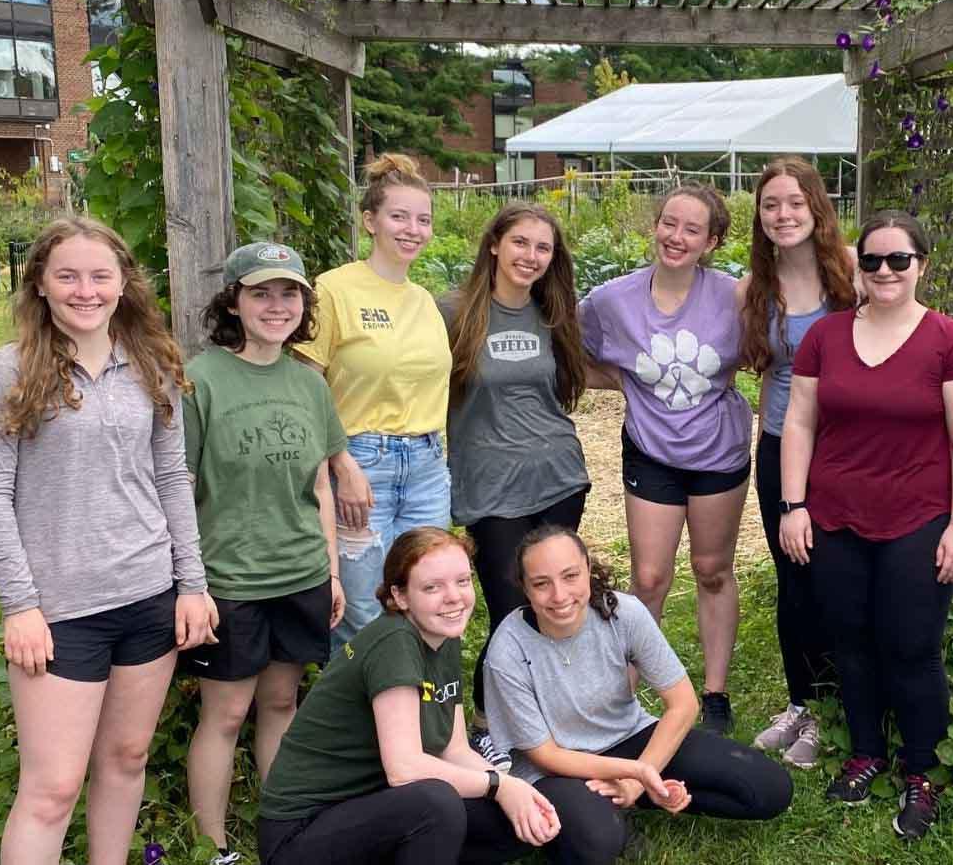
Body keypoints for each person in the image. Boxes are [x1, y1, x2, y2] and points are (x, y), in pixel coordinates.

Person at [0, 216, 218, 865]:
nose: (86, 290)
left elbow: (170, 477)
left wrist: (191, 585)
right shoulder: (9, 372)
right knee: (51, 790)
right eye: (68, 276)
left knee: (126, 759)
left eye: (101, 275)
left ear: (124, 284)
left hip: (147, 597)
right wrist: (19, 604)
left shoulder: (152, 365)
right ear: (40, 286)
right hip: (60, 612)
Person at [778, 211, 953, 842]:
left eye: (900, 260)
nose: (886, 272)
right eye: (873, 261)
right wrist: (794, 505)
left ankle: (922, 771)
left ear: (922, 264)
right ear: (857, 267)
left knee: (912, 647)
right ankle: (865, 751)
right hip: (834, 514)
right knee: (850, 641)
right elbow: (800, 422)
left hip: (918, 518)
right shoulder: (827, 336)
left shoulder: (951, 342)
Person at [482, 526, 793, 863]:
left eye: (570, 576)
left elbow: (683, 702)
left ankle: (632, 798)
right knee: (598, 842)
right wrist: (637, 773)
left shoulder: (622, 612)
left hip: (627, 737)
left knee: (769, 789)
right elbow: (544, 755)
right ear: (525, 588)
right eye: (542, 583)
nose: (559, 595)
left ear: (588, 568)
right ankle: (604, 811)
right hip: (556, 768)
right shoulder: (507, 651)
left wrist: (639, 778)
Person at [180, 241, 349, 862]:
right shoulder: (200, 380)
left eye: (289, 293)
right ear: (234, 301)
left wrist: (331, 571)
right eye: (261, 293)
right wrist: (190, 582)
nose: (277, 306)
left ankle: (282, 834)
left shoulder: (309, 382)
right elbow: (179, 485)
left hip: (301, 571)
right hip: (232, 581)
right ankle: (213, 846)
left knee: (281, 702)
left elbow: (318, 484)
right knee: (224, 716)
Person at [257, 527, 562, 865]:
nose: (454, 597)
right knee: (436, 803)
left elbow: (454, 748)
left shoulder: (442, 633)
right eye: (432, 587)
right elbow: (404, 769)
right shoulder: (395, 642)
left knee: (511, 819)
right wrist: (498, 786)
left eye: (462, 581)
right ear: (399, 597)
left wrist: (512, 789)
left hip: (371, 810)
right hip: (302, 834)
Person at [579, 183, 753, 735]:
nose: (676, 237)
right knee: (649, 578)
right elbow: (572, 355)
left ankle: (715, 693)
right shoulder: (612, 301)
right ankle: (626, 695)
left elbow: (770, 352)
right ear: (655, 226)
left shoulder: (733, 298)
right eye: (668, 224)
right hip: (651, 451)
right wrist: (621, 382)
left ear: (713, 241)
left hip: (717, 452)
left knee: (711, 569)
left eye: (692, 229)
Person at [439, 202, 591, 748]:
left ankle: (553, 719)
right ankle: (486, 722)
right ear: (495, 245)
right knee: (509, 609)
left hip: (557, 476)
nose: (531, 256)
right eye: (521, 243)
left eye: (543, 248)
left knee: (555, 603)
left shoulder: (554, 315)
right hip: (489, 486)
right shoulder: (451, 313)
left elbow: (584, 373)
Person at [296, 153, 454, 646]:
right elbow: (306, 383)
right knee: (364, 609)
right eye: (399, 216)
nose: (413, 229)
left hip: (427, 468)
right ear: (371, 220)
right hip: (363, 468)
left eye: (423, 219)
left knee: (431, 599)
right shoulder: (335, 290)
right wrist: (341, 463)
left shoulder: (424, 301)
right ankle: (369, 720)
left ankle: (426, 715)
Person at [736, 157, 856, 768]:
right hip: (782, 444)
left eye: (794, 203)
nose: (783, 215)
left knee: (836, 575)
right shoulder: (753, 289)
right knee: (794, 578)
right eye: (770, 205)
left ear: (816, 208)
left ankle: (838, 705)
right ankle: (801, 703)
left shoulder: (853, 275)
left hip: (845, 446)